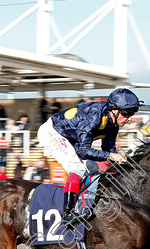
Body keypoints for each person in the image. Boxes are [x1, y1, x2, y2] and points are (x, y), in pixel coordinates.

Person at [37, 88, 141, 228]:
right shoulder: (94, 116)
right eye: (126, 113)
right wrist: (111, 156)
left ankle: (85, 204)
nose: (129, 118)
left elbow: (108, 150)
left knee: (94, 167)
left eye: (132, 114)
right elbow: (83, 151)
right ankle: (68, 213)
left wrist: (121, 161)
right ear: (114, 110)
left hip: (70, 138)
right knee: (77, 167)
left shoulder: (113, 123)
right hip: (52, 132)